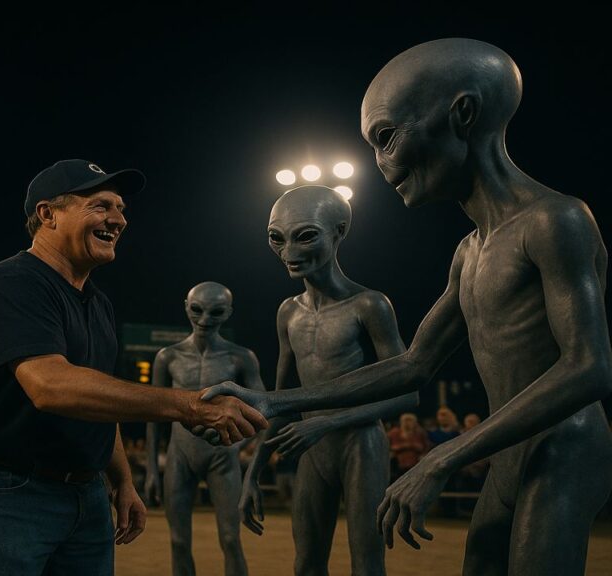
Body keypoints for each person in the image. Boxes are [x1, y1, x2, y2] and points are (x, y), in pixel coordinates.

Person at [203, 39, 612, 575]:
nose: (381, 163)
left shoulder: (555, 221)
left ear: (462, 113)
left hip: (564, 449)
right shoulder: (469, 252)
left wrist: (443, 455)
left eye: (387, 137)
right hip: (509, 453)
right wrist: (272, 402)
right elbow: (412, 364)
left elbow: (588, 368)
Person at [0, 159, 267, 575]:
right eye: (100, 205)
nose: (118, 219)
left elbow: (100, 399)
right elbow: (51, 386)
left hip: (85, 492)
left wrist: (122, 480)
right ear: (47, 214)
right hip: (5, 493)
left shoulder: (97, 302)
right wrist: (188, 405)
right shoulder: (13, 283)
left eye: (121, 208)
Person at [238, 186, 415, 576]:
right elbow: (281, 401)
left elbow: (409, 394)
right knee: (306, 561)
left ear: (339, 232)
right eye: (276, 238)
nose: (288, 252)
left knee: (366, 560)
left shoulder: (369, 304)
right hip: (313, 450)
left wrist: (329, 421)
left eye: (305, 236)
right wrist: (253, 471)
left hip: (361, 444)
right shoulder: (288, 312)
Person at [144, 282, 264, 576]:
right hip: (179, 456)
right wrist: (151, 469)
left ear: (229, 313)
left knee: (230, 539)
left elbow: (263, 411)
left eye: (216, 312)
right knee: (178, 541)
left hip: (223, 457)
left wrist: (249, 461)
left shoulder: (240, 357)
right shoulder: (168, 357)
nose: (205, 319)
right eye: (197, 310)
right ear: (186, 305)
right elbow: (154, 415)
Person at [388, 413, 429, 479]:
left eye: (410, 420)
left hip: (416, 461)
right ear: (401, 422)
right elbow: (391, 447)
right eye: (405, 420)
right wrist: (408, 446)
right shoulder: (394, 433)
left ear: (415, 422)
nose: (407, 423)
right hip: (397, 462)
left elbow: (425, 447)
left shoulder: (420, 433)